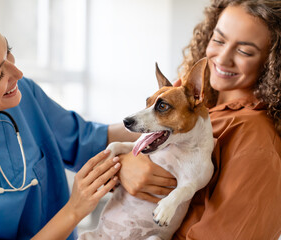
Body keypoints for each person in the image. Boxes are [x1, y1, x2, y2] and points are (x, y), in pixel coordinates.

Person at [0, 10, 163, 240]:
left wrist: (167, 113)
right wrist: (75, 209)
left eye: (8, 53)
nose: (17, 73)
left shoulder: (20, 94)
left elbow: (88, 140)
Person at [117, 0, 281, 239]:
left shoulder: (253, 136)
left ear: (272, 63)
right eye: (218, 39)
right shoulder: (201, 107)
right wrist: (127, 165)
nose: (222, 59)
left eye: (245, 51)